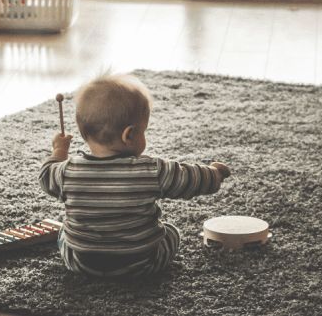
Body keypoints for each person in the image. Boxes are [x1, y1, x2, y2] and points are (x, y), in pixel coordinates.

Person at [39, 72, 230, 279]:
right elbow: (190, 178)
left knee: (63, 233)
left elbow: (46, 175)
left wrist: (59, 150)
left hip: (83, 264)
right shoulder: (152, 170)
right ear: (129, 135)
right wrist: (215, 173)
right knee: (172, 232)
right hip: (142, 264)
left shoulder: (67, 172)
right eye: (144, 131)